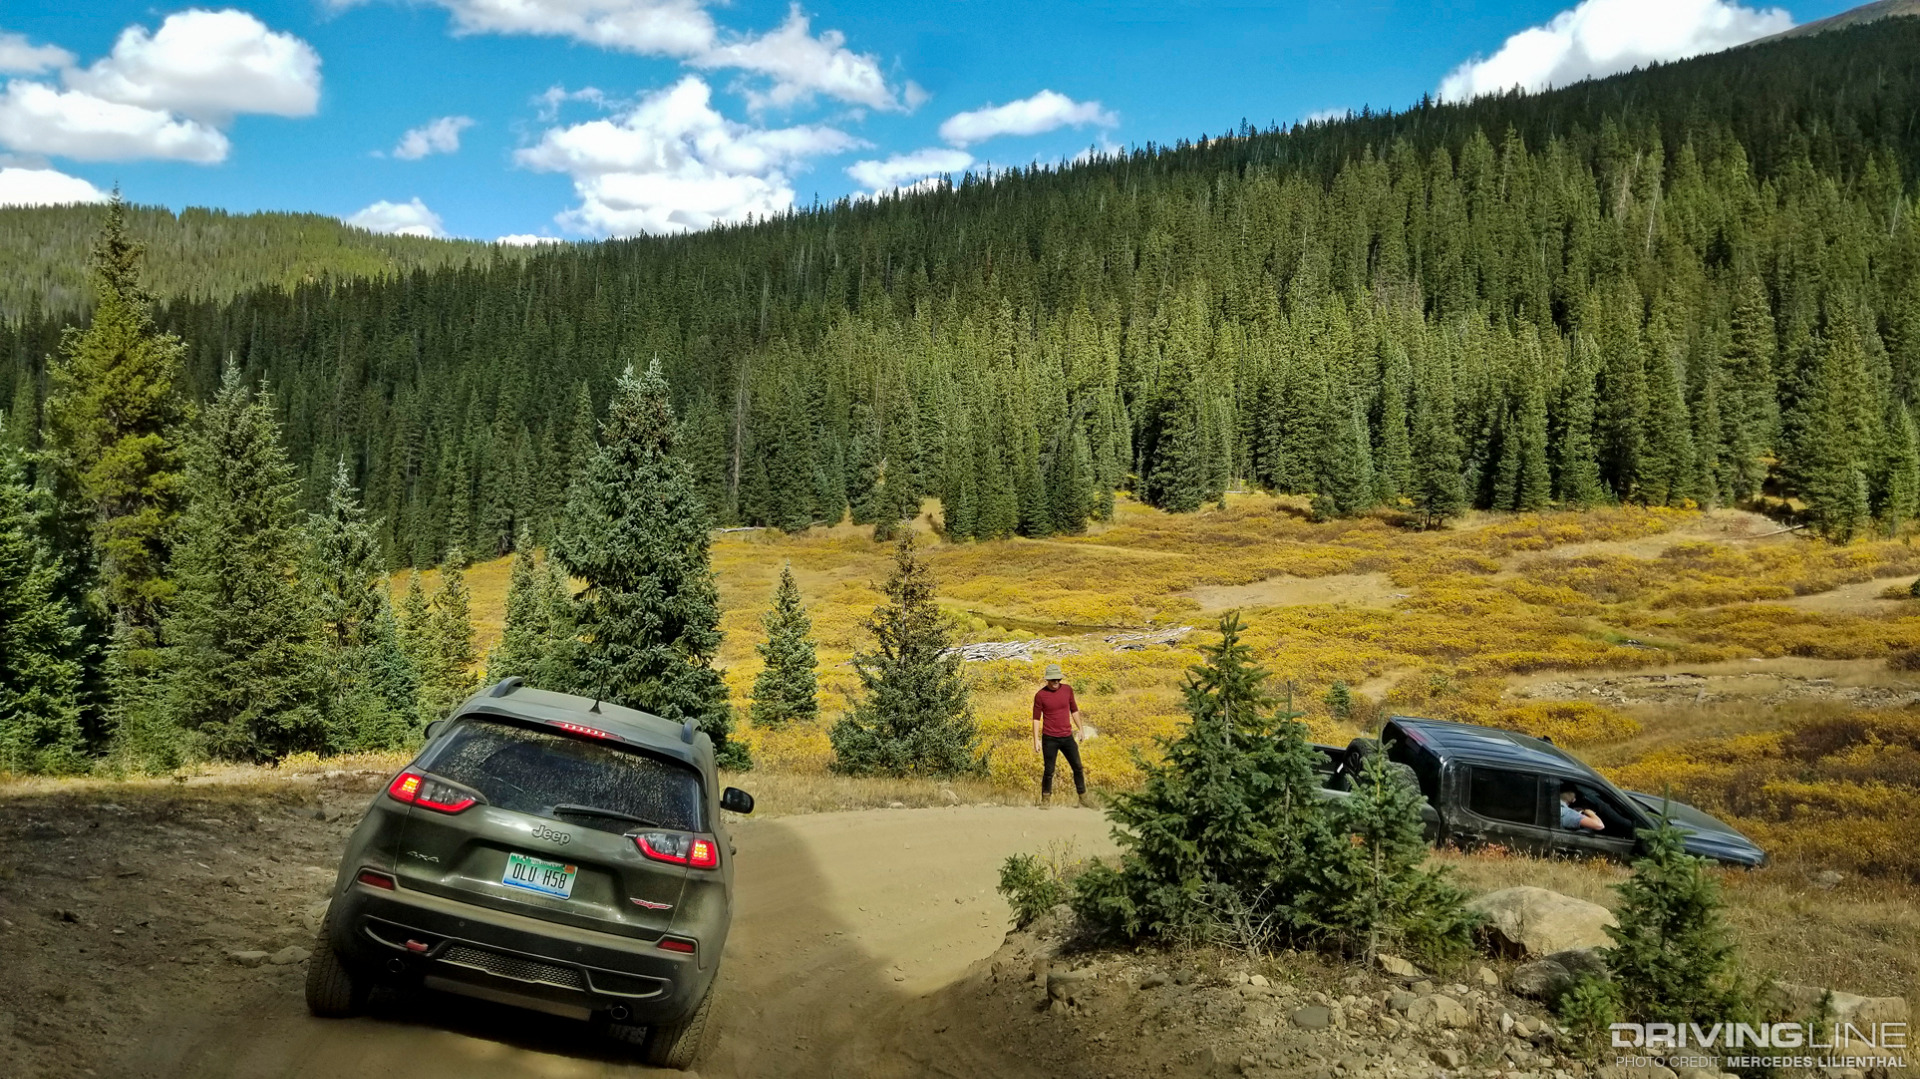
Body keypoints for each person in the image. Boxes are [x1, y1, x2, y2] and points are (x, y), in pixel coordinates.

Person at [1031, 663, 1087, 807]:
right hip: (1049, 738)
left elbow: (1074, 710)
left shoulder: (1068, 690)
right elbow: (1036, 718)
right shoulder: (1040, 695)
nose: (1056, 682)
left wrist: (1080, 729)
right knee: (1049, 770)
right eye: (1053, 680)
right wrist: (1036, 740)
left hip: (1067, 736)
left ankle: (1083, 798)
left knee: (1078, 767)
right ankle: (1045, 800)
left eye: (1058, 679)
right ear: (1047, 680)